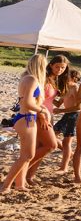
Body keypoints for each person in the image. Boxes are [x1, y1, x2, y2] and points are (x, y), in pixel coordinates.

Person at [1, 54, 47, 193]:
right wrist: (42, 110)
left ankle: (19, 184)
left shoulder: (26, 77)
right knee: (27, 155)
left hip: (25, 117)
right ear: (41, 65)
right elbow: (27, 102)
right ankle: (6, 186)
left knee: (26, 155)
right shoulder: (32, 79)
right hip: (26, 118)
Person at [24, 55, 67, 182]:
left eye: (63, 68)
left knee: (41, 148)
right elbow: (37, 100)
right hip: (40, 115)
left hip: (49, 115)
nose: (60, 70)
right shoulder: (43, 78)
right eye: (57, 67)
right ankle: (23, 173)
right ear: (50, 65)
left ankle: (29, 176)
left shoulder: (55, 80)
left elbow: (52, 100)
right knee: (48, 146)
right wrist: (42, 116)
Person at [53, 69, 81, 173]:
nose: (64, 77)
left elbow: (79, 107)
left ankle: (64, 167)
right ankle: (70, 154)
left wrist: (61, 111)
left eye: (67, 76)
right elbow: (58, 104)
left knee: (66, 142)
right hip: (67, 115)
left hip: (74, 115)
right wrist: (48, 97)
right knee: (52, 136)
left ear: (74, 78)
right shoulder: (66, 88)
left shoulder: (75, 88)